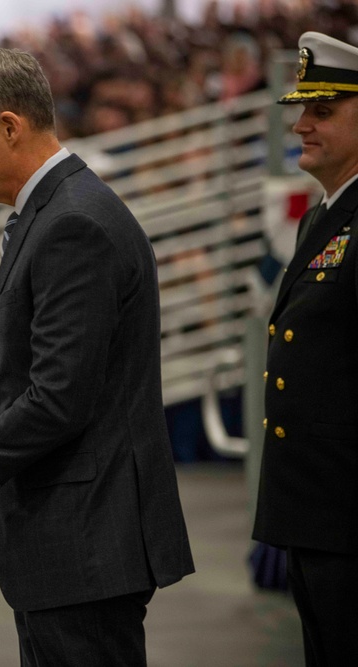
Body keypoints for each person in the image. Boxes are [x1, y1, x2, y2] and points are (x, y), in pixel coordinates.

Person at [0, 48, 195, 666]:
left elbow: (60, 400)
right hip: (79, 539)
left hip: (89, 540)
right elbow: (55, 380)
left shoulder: (73, 224)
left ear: (11, 127)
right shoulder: (55, 211)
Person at [252, 31, 358, 666]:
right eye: (302, 109)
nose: (302, 124)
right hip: (318, 516)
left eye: (323, 110)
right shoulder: (321, 218)